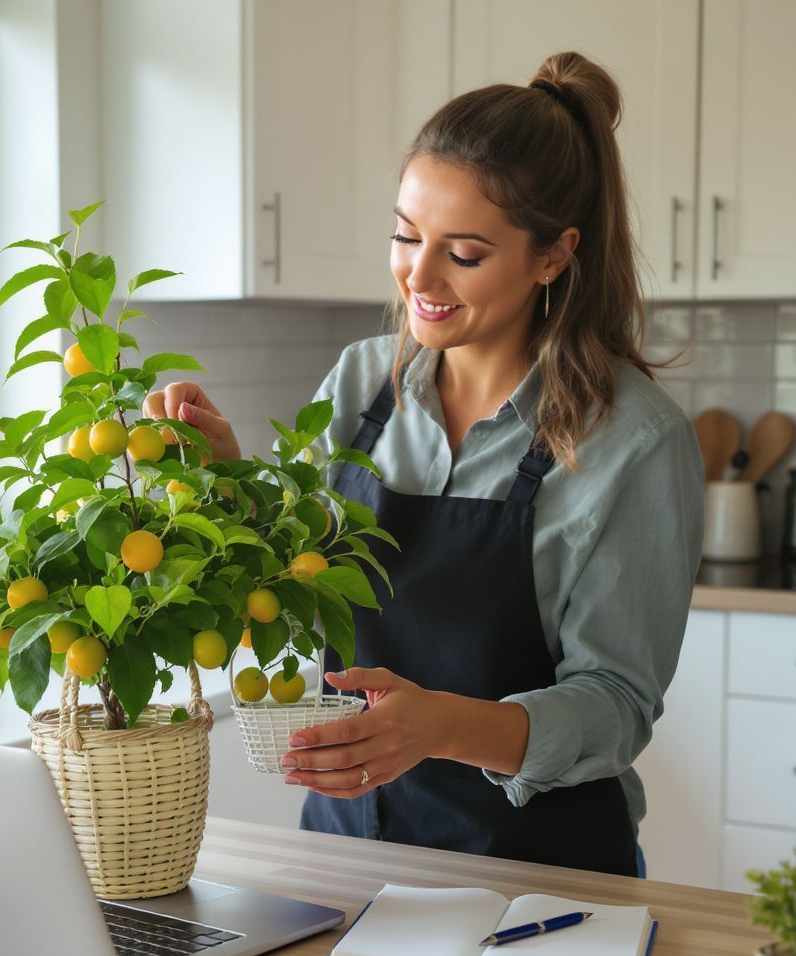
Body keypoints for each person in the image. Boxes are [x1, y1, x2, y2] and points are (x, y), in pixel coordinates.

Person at [143, 51, 704, 878]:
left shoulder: (635, 440)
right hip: (342, 850)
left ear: (553, 256)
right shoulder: (363, 382)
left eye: (464, 253)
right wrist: (226, 479)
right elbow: (298, 585)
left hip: (539, 876)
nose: (420, 275)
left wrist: (438, 727)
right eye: (406, 235)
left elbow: (616, 707)